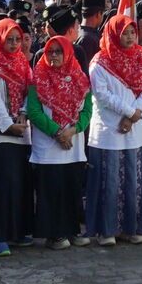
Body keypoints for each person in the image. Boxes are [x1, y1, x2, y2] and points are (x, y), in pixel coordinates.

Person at [85, 14, 142, 246]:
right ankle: (108, 230)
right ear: (114, 33)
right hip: (109, 126)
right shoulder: (100, 61)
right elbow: (102, 94)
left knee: (135, 180)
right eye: (124, 32)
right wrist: (127, 112)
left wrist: (134, 114)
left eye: (132, 33)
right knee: (110, 179)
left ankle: (132, 228)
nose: (129, 37)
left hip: (136, 126)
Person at [27, 35, 92, 249]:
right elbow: (34, 112)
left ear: (68, 53)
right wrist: (57, 133)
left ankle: (72, 230)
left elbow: (87, 111)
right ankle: (53, 234)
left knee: (71, 189)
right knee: (51, 190)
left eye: (58, 51)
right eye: (50, 51)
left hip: (72, 144)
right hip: (49, 145)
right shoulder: (39, 77)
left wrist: (72, 130)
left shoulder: (79, 78)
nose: (53, 55)